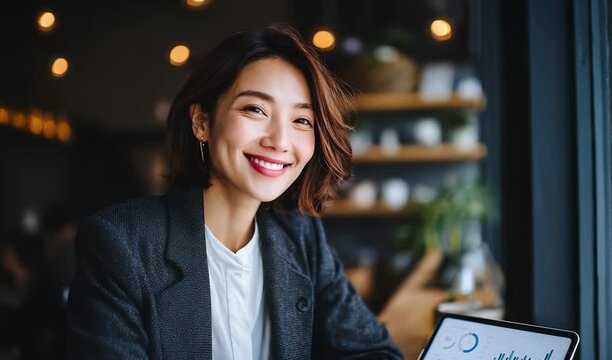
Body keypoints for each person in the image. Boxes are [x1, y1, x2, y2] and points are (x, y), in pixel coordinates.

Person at [68, 25, 403, 359]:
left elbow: (375, 352)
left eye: (302, 120)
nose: (280, 141)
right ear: (202, 121)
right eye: (255, 110)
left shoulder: (300, 235)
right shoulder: (121, 244)